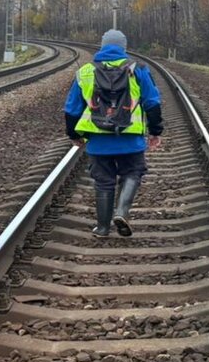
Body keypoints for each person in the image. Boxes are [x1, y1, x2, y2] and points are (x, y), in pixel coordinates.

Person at [64, 29, 163, 237]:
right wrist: (155, 131)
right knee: (133, 172)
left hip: (98, 141)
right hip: (130, 138)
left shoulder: (85, 72)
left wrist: (73, 134)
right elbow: (152, 102)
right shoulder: (138, 69)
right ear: (124, 48)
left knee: (103, 181)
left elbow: (72, 109)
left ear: (102, 46)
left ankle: (102, 228)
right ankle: (122, 211)